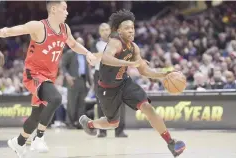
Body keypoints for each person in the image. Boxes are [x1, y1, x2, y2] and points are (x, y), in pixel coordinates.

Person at [79, 10, 185, 157]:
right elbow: (106, 58)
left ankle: (171, 142)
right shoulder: (115, 42)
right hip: (107, 88)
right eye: (127, 28)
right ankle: (89, 124)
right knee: (113, 123)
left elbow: (143, 70)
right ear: (119, 30)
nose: (131, 30)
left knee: (147, 107)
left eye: (132, 28)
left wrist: (164, 74)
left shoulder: (134, 47)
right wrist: (129, 63)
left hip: (124, 82)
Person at [0, 1, 97, 157]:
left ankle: (18, 142)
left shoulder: (65, 29)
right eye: (64, 9)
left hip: (49, 77)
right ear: (53, 9)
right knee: (56, 98)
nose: (67, 12)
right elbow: (14, 30)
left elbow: (72, 44)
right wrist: (2, 32)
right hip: (34, 74)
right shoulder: (39, 26)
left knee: (36, 115)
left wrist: (88, 53)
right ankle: (39, 137)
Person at [91, 23, 128, 138]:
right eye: (102, 30)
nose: (105, 32)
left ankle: (119, 130)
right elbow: (93, 57)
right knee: (101, 102)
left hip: (116, 73)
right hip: (100, 74)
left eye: (107, 29)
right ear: (99, 32)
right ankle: (102, 131)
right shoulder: (95, 44)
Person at [62, 37, 91, 129]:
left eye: (82, 43)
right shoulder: (70, 53)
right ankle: (69, 123)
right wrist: (67, 76)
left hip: (82, 80)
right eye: (78, 43)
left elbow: (87, 70)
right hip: (73, 81)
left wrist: (90, 82)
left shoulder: (85, 55)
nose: (80, 45)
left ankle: (80, 123)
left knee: (81, 104)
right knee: (72, 103)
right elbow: (63, 66)